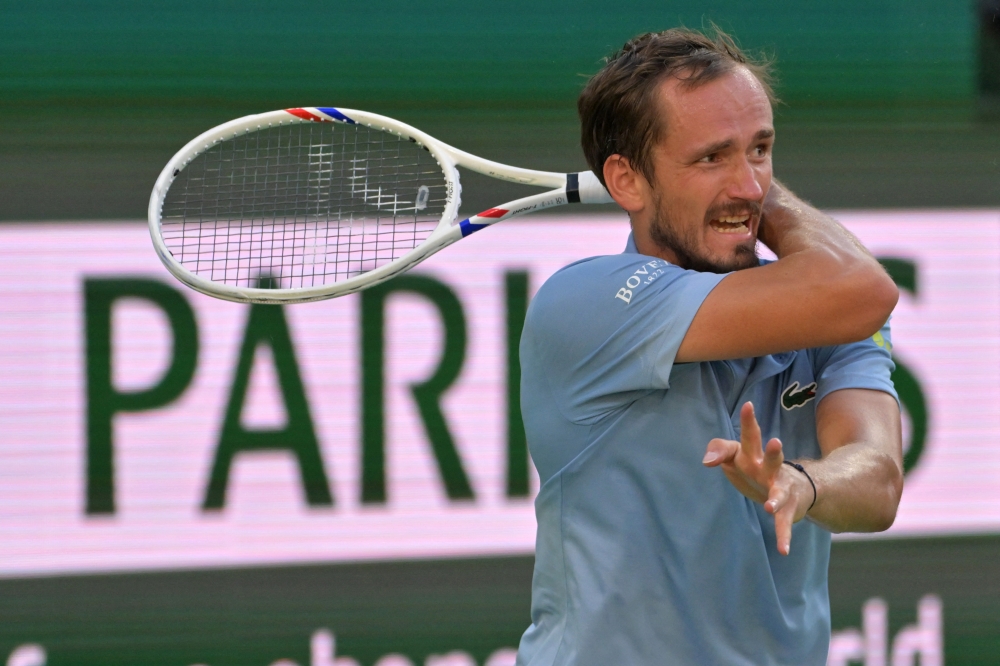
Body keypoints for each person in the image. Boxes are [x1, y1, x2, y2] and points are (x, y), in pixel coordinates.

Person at [515, 28, 903, 665]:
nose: (749, 185)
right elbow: (864, 287)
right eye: (710, 157)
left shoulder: (832, 310)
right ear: (627, 181)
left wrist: (805, 485)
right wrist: (759, 195)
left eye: (761, 149)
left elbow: (879, 479)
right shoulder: (582, 305)